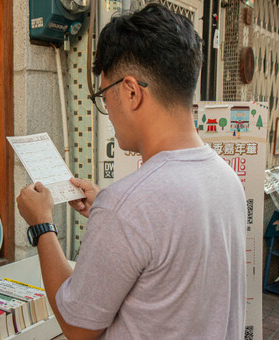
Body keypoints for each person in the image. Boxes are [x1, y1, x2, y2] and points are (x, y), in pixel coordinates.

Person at [16, 3, 247, 340]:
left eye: (103, 95)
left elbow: (78, 326)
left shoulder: (127, 207)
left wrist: (42, 225)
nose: (106, 108)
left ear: (131, 91)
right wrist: (108, 214)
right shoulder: (226, 178)